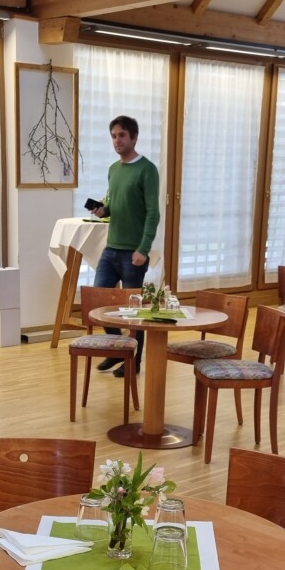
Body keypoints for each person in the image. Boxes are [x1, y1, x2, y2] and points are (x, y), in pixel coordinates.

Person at [90, 115, 160, 378]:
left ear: (134, 137)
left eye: (121, 135)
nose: (117, 140)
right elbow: (114, 204)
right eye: (113, 136)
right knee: (98, 301)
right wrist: (103, 210)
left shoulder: (147, 169)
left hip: (133, 253)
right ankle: (118, 349)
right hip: (110, 249)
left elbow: (153, 213)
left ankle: (134, 362)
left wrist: (143, 249)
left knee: (134, 311)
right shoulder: (113, 169)